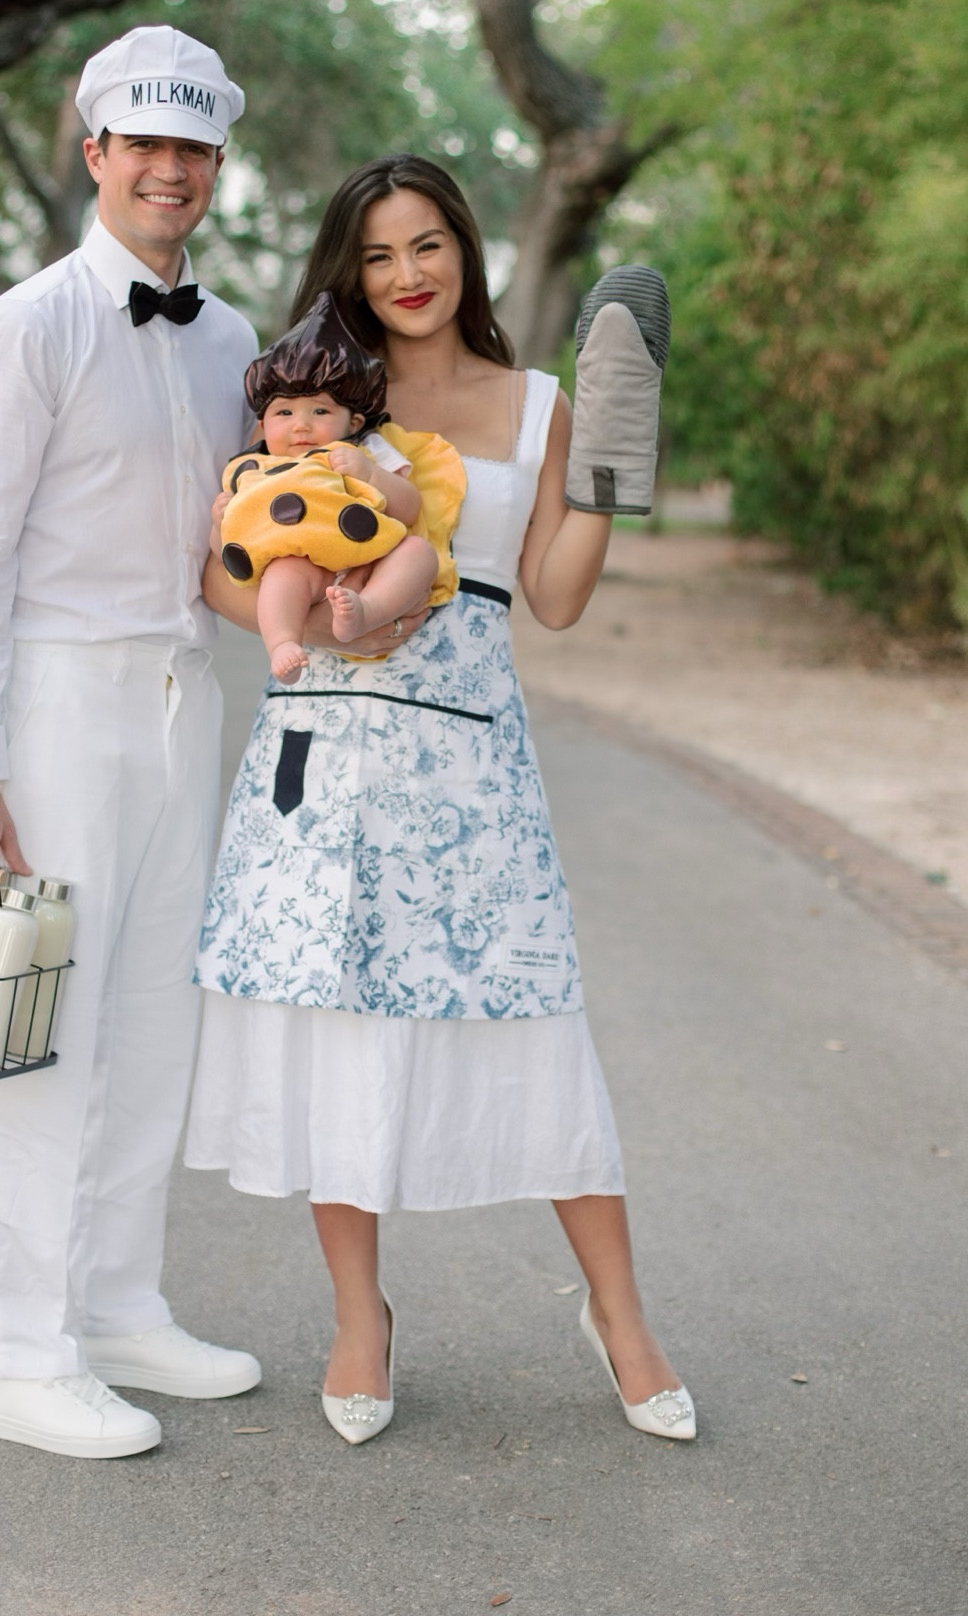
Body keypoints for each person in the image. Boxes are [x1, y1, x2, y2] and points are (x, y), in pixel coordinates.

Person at [186, 153, 694, 1446]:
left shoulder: (535, 404)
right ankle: (362, 1320)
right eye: (374, 254)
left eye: (425, 245)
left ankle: (619, 1318)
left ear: (463, 251)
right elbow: (225, 573)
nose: (404, 275)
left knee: (529, 1017)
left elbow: (558, 597)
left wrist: (595, 487)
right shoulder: (315, 401)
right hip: (325, 750)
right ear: (344, 271)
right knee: (334, 1026)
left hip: (469, 755)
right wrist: (314, 622)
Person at [0, 25, 267, 1460]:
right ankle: (2, 1352)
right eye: (145, 144)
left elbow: (240, 544)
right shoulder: (27, 326)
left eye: (193, 149)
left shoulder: (233, 341)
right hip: (53, 702)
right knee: (34, 1030)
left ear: (213, 166)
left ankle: (112, 1306)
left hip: (185, 702)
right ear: (94, 149)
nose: (169, 170)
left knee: (149, 1022)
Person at [216, 291, 452, 683]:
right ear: (262, 422)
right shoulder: (255, 469)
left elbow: (409, 507)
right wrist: (219, 522)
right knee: (283, 574)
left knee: (418, 553)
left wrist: (372, 476)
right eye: (284, 412)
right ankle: (283, 641)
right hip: (305, 563)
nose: (301, 425)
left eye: (320, 411)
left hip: (370, 560)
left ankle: (367, 610)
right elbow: (230, 549)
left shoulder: (368, 450)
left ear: (355, 422)